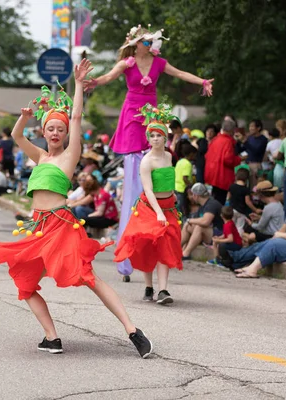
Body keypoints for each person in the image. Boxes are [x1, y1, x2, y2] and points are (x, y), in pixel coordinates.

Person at [0, 59, 153, 358]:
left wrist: (80, 85)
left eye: (60, 129)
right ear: (44, 133)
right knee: (24, 280)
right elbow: (18, 136)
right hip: (38, 226)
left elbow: (75, 117)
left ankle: (133, 331)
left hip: (61, 224)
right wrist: (25, 116)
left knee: (90, 278)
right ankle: (52, 337)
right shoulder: (41, 157)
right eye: (51, 129)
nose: (56, 132)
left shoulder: (70, 156)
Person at [83, 24, 213, 280]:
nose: (151, 45)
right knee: (134, 177)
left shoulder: (159, 63)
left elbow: (180, 73)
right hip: (132, 114)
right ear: (138, 43)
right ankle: (128, 255)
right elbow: (107, 77)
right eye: (147, 41)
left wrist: (203, 81)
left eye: (152, 41)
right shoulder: (127, 63)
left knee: (155, 164)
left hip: (151, 116)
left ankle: (154, 225)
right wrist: (92, 83)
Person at [114, 104, 183, 304]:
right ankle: (149, 286)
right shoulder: (146, 161)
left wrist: (173, 195)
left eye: (158, 135)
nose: (155, 139)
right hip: (150, 208)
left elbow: (168, 180)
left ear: (164, 137)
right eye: (152, 136)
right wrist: (159, 213)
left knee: (166, 245)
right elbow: (149, 190)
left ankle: (163, 291)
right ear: (148, 138)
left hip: (169, 206)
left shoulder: (170, 156)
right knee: (147, 246)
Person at [181, 183, 224, 259]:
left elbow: (205, 221)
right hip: (211, 233)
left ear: (196, 195)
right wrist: (189, 222)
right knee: (188, 226)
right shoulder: (202, 205)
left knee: (199, 227)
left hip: (221, 234)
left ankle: (185, 254)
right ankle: (175, 250)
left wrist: (189, 220)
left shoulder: (211, 204)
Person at [205, 119, 242, 205]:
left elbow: (207, 155)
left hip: (212, 174)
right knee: (220, 201)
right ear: (232, 130)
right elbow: (228, 160)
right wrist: (239, 159)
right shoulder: (228, 142)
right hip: (222, 175)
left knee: (214, 198)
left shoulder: (215, 139)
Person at [228, 168, 262, 234]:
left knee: (231, 226)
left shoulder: (231, 186)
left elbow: (228, 197)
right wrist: (255, 209)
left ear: (236, 176)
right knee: (239, 227)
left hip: (232, 209)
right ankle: (238, 240)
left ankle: (230, 238)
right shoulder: (246, 189)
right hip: (241, 211)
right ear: (247, 179)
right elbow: (248, 202)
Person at [244, 119, 268, 188]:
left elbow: (256, 151)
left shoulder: (263, 139)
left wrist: (245, 142)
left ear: (258, 128)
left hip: (256, 165)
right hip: (247, 164)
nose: (250, 128)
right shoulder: (249, 138)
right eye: (249, 126)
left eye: (252, 126)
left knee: (254, 187)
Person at [175, 144, 196, 217]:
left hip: (176, 187)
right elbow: (185, 178)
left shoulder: (180, 161)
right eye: (194, 154)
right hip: (183, 189)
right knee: (183, 209)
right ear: (191, 154)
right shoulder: (188, 164)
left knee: (178, 208)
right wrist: (191, 186)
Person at [272, 119, 286, 189]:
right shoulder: (280, 140)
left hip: (283, 168)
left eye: (278, 129)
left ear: (285, 130)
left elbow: (276, 155)